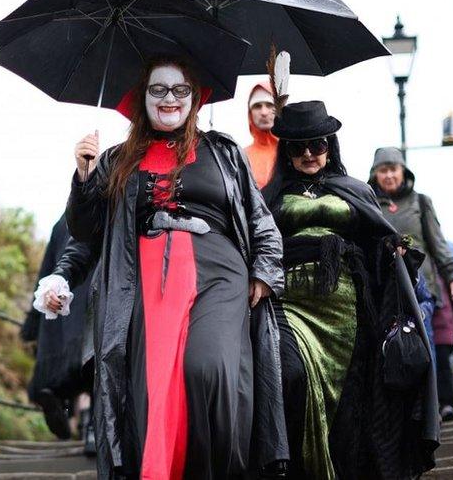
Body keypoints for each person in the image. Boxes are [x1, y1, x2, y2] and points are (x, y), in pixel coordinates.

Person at [37, 57, 287, 479]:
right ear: (141, 98)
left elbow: (260, 218)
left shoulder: (223, 151)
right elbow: (86, 230)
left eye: (179, 89)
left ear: (195, 97)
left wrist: (264, 271)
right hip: (142, 283)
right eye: (158, 89)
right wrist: (84, 178)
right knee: (153, 393)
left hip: (220, 273)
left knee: (207, 370)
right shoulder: (115, 160)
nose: (169, 98)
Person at [263, 101, 439, 479]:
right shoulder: (268, 196)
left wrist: (395, 249)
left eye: (318, 144)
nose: (309, 153)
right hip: (289, 304)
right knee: (290, 375)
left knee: (352, 402)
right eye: (298, 147)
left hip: (348, 309)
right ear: (286, 150)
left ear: (331, 145)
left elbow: (377, 238)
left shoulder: (354, 189)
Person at [369, 147, 453, 422]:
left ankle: (429, 411)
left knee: (425, 345)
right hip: (384, 289)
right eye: (383, 170)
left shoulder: (420, 202)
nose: (388, 175)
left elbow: (438, 243)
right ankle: (399, 414)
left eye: (393, 169)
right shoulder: (369, 201)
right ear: (375, 173)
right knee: (389, 349)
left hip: (422, 288)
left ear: (403, 171)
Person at [21, 213, 96, 442]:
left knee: (64, 374)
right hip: (90, 305)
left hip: (60, 309)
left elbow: (45, 272)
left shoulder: (61, 225)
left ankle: (57, 400)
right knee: (95, 373)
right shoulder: (105, 210)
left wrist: (31, 326)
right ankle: (91, 427)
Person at [244, 82, 279, 189]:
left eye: (270, 105)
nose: (264, 112)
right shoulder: (241, 157)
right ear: (250, 113)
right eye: (257, 106)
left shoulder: (294, 153)